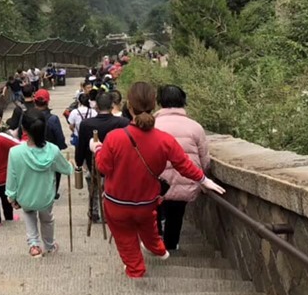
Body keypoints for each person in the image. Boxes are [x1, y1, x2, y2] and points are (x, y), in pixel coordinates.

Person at [93, 82, 224, 278]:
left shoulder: (114, 138)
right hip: (147, 202)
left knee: (125, 238)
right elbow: (184, 164)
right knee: (149, 227)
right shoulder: (164, 140)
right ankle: (158, 248)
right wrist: (203, 179)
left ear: (129, 107)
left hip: (117, 202)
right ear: (154, 105)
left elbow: (104, 168)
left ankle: (136, 269)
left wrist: (97, 149)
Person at [6, 110, 73, 258]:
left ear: (23, 129)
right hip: (46, 196)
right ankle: (49, 245)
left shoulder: (15, 152)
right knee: (47, 219)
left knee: (29, 215)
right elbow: (67, 169)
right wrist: (70, 164)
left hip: (25, 197)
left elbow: (11, 177)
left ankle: (34, 245)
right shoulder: (53, 150)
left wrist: (11, 197)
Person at [154, 85, 210, 252]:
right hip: (185, 179)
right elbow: (204, 158)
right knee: (176, 214)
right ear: (183, 101)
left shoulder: (152, 125)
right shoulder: (195, 127)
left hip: (157, 180)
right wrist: (203, 177)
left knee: (155, 209)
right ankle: (171, 245)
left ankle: (155, 240)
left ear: (160, 101)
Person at [75, 90, 129, 222]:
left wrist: (79, 162)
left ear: (96, 106)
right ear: (112, 105)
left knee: (93, 188)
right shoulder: (122, 123)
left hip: (93, 162)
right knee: (109, 190)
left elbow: (81, 146)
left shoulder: (86, 124)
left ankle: (93, 211)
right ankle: (107, 213)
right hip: (115, 165)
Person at [34, 89, 67, 199]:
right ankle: (53, 193)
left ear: (35, 101)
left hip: (33, 151)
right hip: (50, 151)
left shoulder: (29, 117)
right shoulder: (53, 119)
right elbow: (59, 137)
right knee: (55, 171)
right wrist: (60, 147)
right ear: (47, 102)